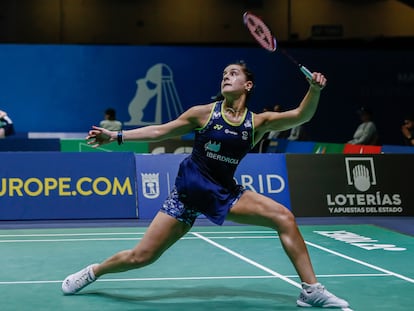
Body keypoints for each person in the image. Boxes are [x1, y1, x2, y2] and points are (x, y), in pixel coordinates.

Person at [62, 61, 349, 308]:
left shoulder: (257, 122)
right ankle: (93, 272)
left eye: (233, 73)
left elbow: (301, 115)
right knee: (141, 257)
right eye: (224, 73)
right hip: (188, 195)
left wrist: (314, 89)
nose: (226, 76)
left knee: (284, 218)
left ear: (248, 85)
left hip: (225, 193)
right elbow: (161, 130)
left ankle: (311, 290)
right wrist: (116, 137)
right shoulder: (204, 113)